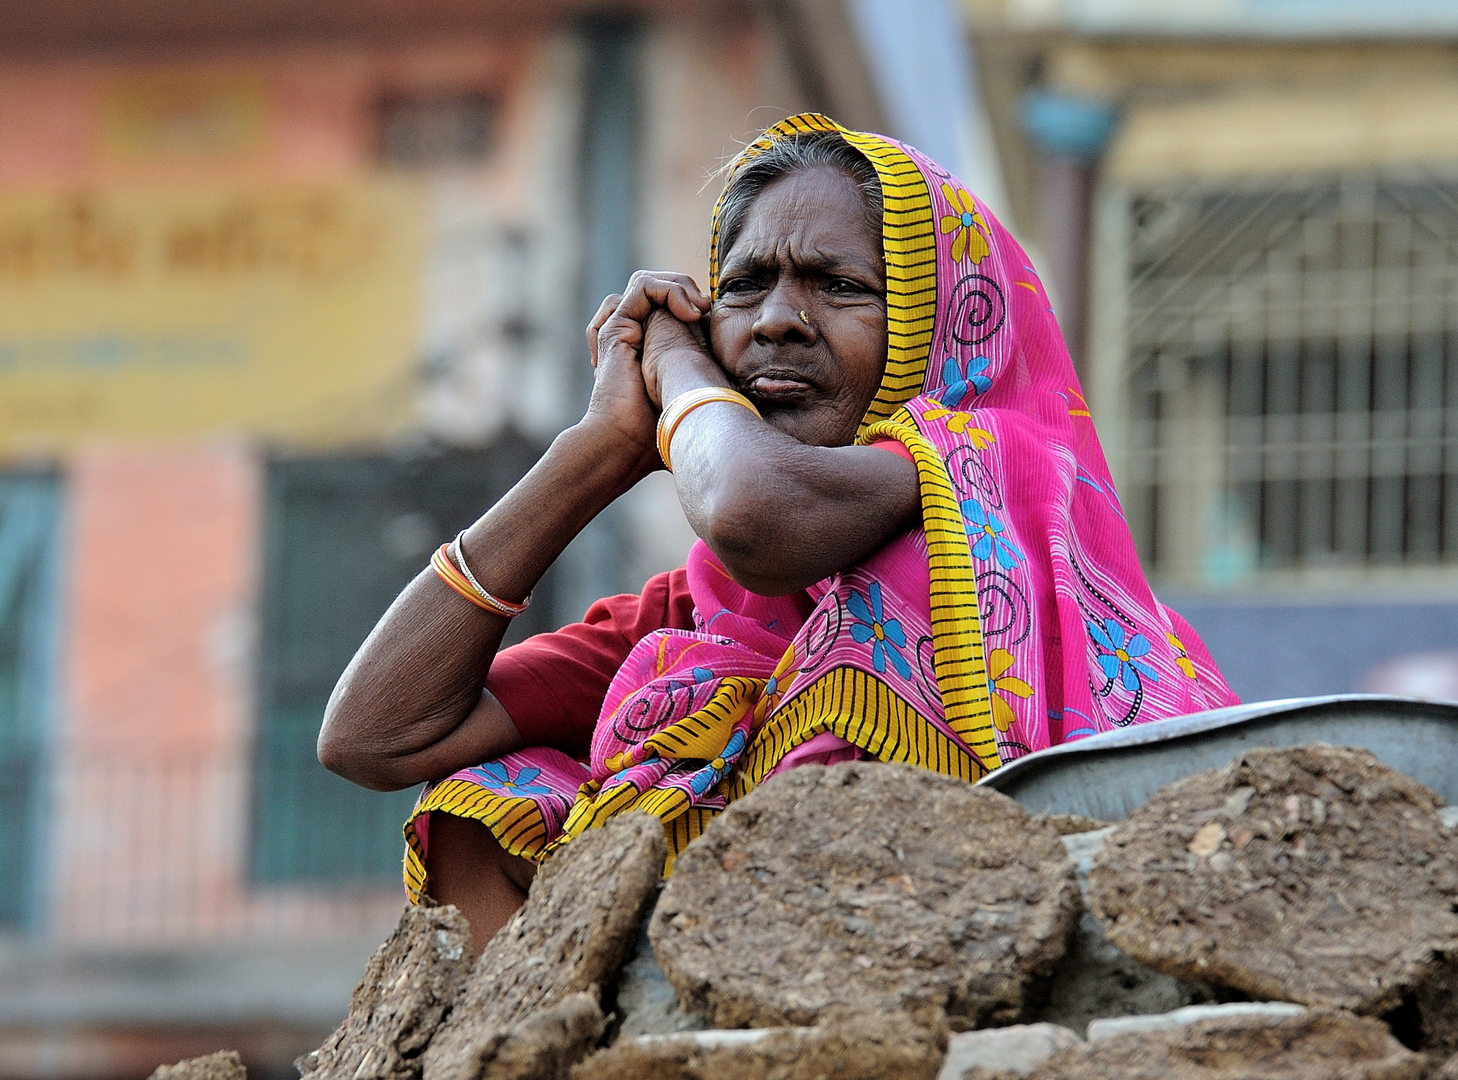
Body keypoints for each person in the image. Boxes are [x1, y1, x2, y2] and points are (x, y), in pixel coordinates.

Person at [318, 113, 1238, 954]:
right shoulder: (700, 617)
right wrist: (596, 449)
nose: (776, 323)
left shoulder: (987, 476)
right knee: (490, 799)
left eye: (839, 286)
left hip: (987, 987)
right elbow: (375, 737)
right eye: (744, 287)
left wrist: (678, 368)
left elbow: (753, 512)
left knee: (857, 639)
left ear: (937, 331)